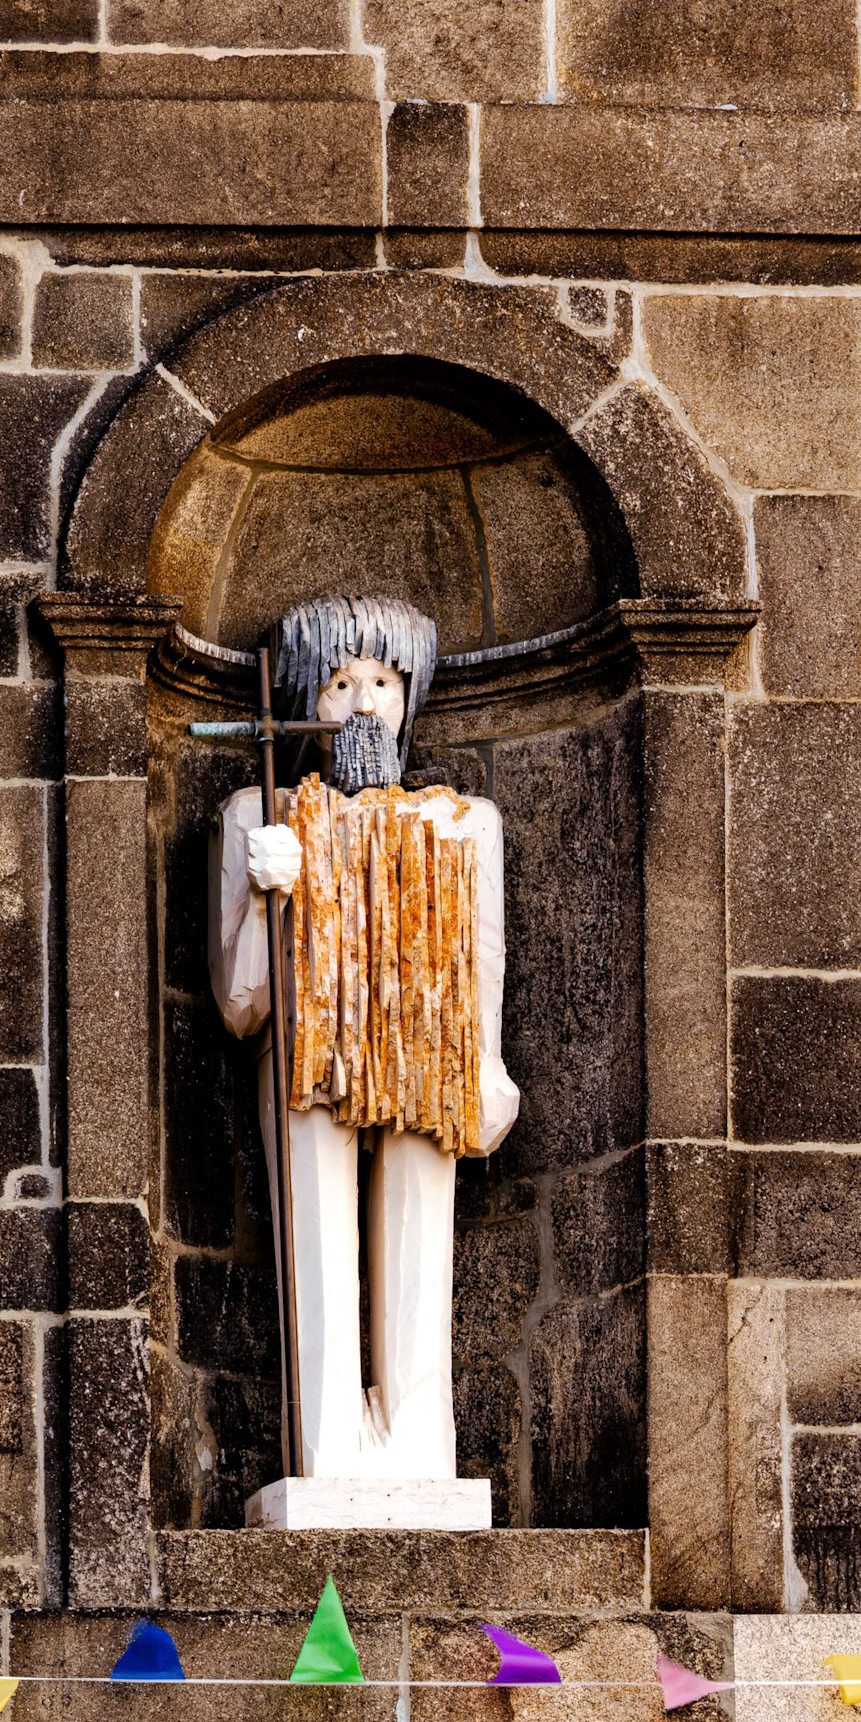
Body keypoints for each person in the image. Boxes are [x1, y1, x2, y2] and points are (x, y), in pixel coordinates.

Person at [208, 594, 519, 1482]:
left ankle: (420, 1450)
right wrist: (266, 897)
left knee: (422, 1243)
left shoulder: (463, 821)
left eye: (382, 682)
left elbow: (481, 952)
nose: (364, 704)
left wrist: (486, 1058)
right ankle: (329, 1455)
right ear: (305, 697)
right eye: (340, 683)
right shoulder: (257, 814)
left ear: (409, 696)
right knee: (314, 1240)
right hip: (309, 1051)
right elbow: (239, 1003)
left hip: (429, 1045)